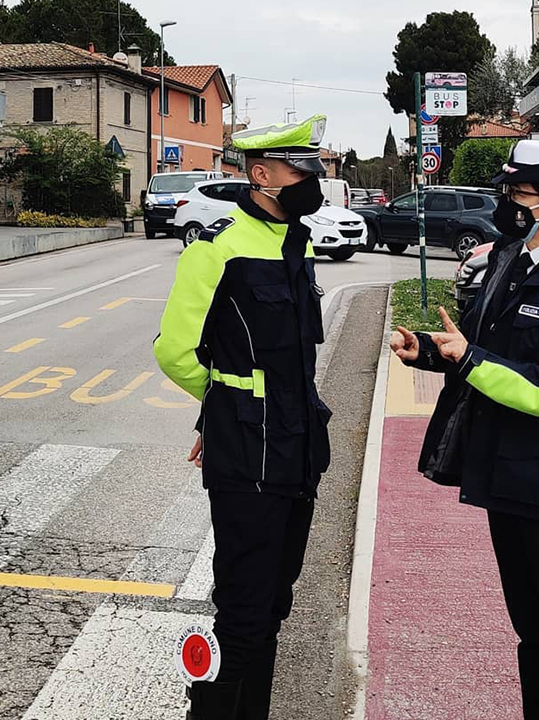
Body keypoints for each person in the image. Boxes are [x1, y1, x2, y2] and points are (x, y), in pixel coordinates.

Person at [390, 140, 539, 719]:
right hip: (506, 464)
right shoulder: (508, 258)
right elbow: (482, 346)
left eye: (517, 192)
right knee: (532, 632)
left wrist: (471, 359)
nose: (507, 202)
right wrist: (427, 349)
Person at [153, 114, 333, 720]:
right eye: (300, 170)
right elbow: (174, 352)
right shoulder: (218, 250)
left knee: (276, 600)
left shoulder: (297, 243)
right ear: (261, 175)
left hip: (300, 442)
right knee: (245, 606)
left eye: (314, 167)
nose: (313, 178)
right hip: (249, 449)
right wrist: (222, 405)